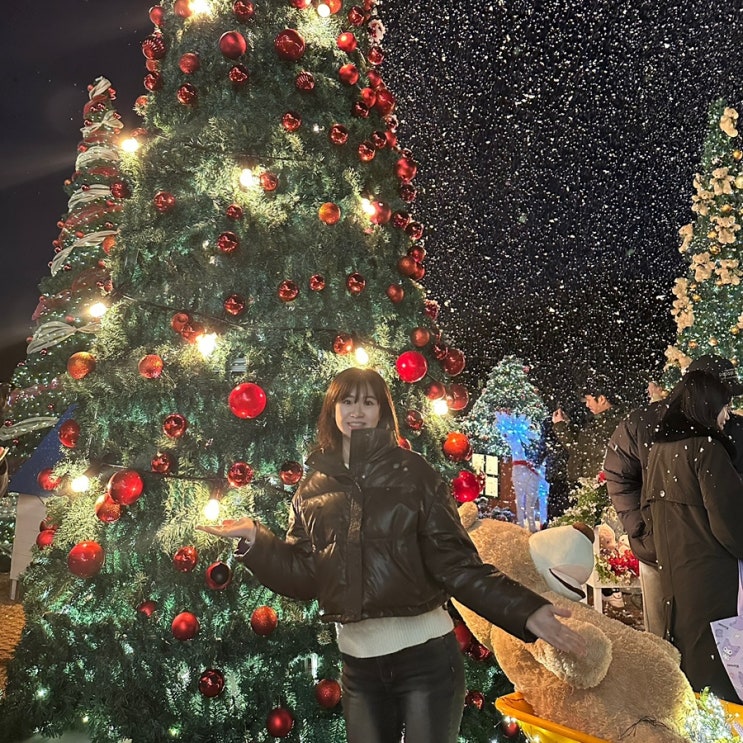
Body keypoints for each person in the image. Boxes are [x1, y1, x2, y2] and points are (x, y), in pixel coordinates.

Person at [198, 367, 586, 743]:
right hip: (359, 671)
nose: (357, 411)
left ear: (382, 411)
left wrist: (524, 610)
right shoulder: (311, 489)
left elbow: (456, 564)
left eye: (368, 402)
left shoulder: (415, 474)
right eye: (347, 401)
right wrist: (256, 541)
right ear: (332, 409)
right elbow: (305, 577)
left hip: (427, 664)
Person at [604, 354, 743, 636]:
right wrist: (643, 528)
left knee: (696, 635)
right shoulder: (645, 423)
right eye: (724, 399)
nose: (728, 409)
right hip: (664, 548)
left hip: (710, 555)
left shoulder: (731, 429)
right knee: (669, 633)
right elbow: (619, 475)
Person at [643, 370, 743, 702]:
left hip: (676, 576)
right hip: (713, 580)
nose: (727, 415)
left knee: (690, 667)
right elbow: (731, 527)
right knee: (722, 673)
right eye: (724, 406)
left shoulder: (658, 451)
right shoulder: (707, 449)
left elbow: (649, 515)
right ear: (707, 405)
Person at [551, 375, 628, 487]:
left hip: (594, 487)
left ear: (601, 399)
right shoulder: (603, 421)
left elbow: (581, 450)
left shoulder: (610, 424)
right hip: (591, 486)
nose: (587, 404)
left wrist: (560, 426)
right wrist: (567, 425)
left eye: (588, 400)